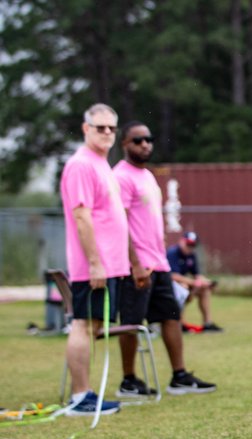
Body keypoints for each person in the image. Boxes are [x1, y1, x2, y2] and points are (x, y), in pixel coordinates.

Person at [114, 121, 216, 396]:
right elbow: (119, 223)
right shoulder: (121, 176)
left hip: (159, 263)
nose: (145, 144)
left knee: (171, 317)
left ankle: (179, 376)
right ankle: (129, 380)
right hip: (137, 266)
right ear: (125, 144)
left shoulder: (147, 176)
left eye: (149, 139)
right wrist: (134, 264)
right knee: (132, 324)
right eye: (138, 140)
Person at [59, 103, 131, 416]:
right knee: (83, 324)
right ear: (85, 128)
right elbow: (81, 215)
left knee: (92, 325)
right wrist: (94, 262)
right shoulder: (81, 165)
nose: (106, 133)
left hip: (110, 265)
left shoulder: (102, 163)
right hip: (93, 265)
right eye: (99, 127)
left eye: (111, 128)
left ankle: (86, 392)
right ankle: (80, 397)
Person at [167, 231, 222, 332]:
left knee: (204, 289)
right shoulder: (172, 253)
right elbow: (173, 276)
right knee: (184, 287)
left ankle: (207, 323)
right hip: (170, 287)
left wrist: (207, 282)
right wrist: (193, 283)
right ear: (181, 241)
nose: (190, 247)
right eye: (188, 244)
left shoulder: (191, 255)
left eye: (192, 245)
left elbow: (197, 275)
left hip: (186, 285)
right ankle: (180, 323)